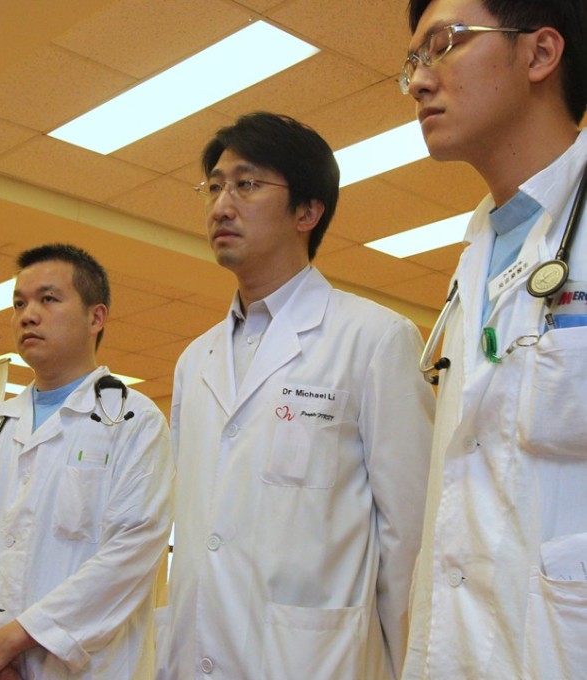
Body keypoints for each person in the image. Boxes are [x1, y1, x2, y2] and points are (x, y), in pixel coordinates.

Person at [156, 112, 435, 680]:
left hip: (315, 660)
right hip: (197, 652)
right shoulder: (195, 361)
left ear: (308, 211)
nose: (221, 205)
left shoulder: (375, 339)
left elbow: (411, 536)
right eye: (214, 185)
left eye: (247, 184)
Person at [400, 1, 587, 677]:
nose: (419, 81)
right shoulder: (479, 245)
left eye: (443, 45)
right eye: (413, 61)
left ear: (539, 54)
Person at [0, 244, 174, 680]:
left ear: (96, 318)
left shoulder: (134, 421)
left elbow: (129, 558)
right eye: (19, 303)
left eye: (48, 299)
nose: (27, 315)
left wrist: (10, 642)